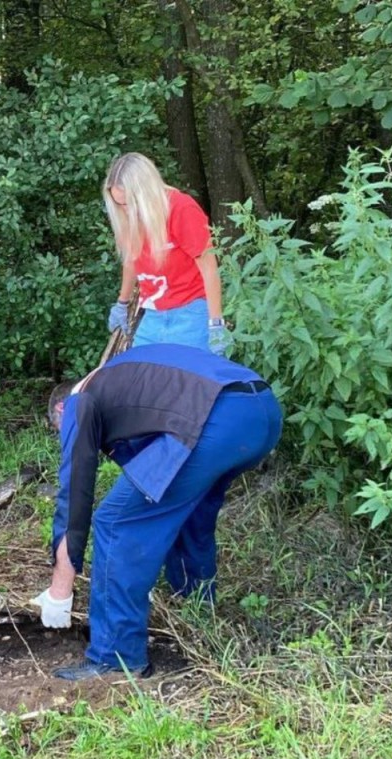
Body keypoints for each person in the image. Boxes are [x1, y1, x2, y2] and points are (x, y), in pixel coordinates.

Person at [31, 343, 282, 681]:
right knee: (191, 513)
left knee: (116, 523)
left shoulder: (81, 400)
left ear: (61, 409)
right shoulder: (126, 381)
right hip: (260, 410)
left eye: (60, 432)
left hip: (213, 416)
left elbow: (75, 490)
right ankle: (194, 611)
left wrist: (60, 589)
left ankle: (116, 659)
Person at [102, 153, 229, 354]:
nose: (124, 210)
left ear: (145, 193)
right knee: (143, 378)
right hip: (152, 315)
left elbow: (209, 266)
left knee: (188, 380)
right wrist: (122, 303)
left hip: (191, 313)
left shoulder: (181, 208)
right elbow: (130, 260)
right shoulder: (126, 217)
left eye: (128, 203)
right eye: (119, 204)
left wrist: (215, 323)